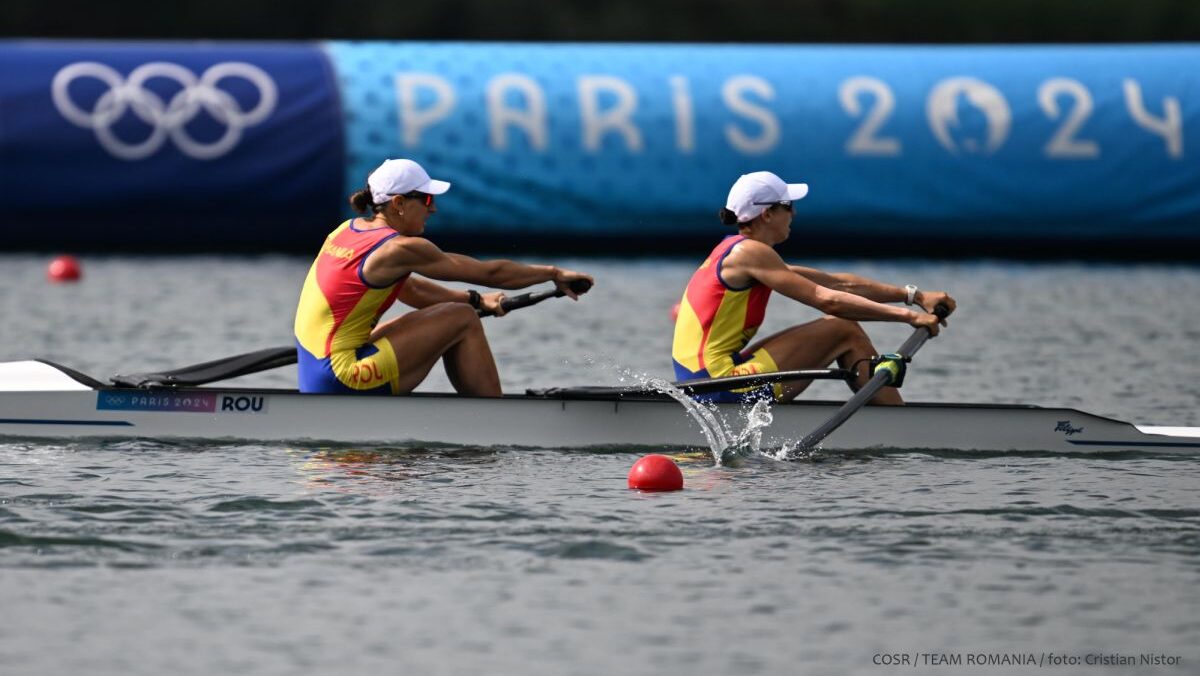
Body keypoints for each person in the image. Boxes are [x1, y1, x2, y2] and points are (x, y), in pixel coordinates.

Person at [294, 158, 592, 397]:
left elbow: (409, 290)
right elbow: (491, 273)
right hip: (343, 378)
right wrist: (552, 273)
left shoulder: (346, 230)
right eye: (425, 200)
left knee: (459, 309)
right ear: (398, 203)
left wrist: (475, 299)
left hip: (314, 373)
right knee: (462, 318)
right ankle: (497, 423)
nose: (433, 208)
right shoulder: (399, 249)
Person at [671, 171, 956, 405]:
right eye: (788, 206)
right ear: (767, 214)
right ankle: (900, 426)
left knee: (840, 327)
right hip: (716, 387)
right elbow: (828, 300)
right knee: (842, 329)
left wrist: (914, 296)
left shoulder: (736, 252)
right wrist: (911, 318)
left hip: (706, 381)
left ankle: (892, 417)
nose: (794, 212)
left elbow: (837, 283)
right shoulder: (749, 254)